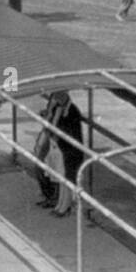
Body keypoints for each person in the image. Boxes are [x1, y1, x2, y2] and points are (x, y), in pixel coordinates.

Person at [41, 90, 87, 218]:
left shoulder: (72, 111)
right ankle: (60, 204)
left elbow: (68, 131)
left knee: (67, 178)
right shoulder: (57, 108)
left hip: (70, 149)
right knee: (61, 177)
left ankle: (65, 206)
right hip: (60, 147)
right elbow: (50, 125)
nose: (56, 99)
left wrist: (57, 119)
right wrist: (50, 113)